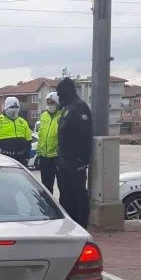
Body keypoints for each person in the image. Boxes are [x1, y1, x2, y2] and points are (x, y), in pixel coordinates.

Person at [56, 77, 92, 228]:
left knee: (78, 193)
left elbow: (85, 136)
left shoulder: (79, 108)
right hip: (64, 159)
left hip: (75, 161)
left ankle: (81, 224)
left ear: (66, 92)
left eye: (60, 93)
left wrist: (81, 160)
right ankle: (70, 223)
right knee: (66, 193)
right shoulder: (67, 108)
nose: (58, 97)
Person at [0, 97, 33, 166]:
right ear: (5, 108)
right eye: (11, 107)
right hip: (4, 158)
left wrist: (27, 156)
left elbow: (29, 140)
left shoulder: (23, 122)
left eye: (16, 107)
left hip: (21, 160)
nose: (14, 110)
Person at [36, 91, 62, 193]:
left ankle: (61, 208)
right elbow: (41, 135)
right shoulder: (44, 116)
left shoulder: (62, 115)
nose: (50, 105)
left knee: (62, 186)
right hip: (44, 157)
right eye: (48, 103)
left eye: (52, 103)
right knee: (46, 188)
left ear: (58, 103)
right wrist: (39, 153)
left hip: (57, 157)